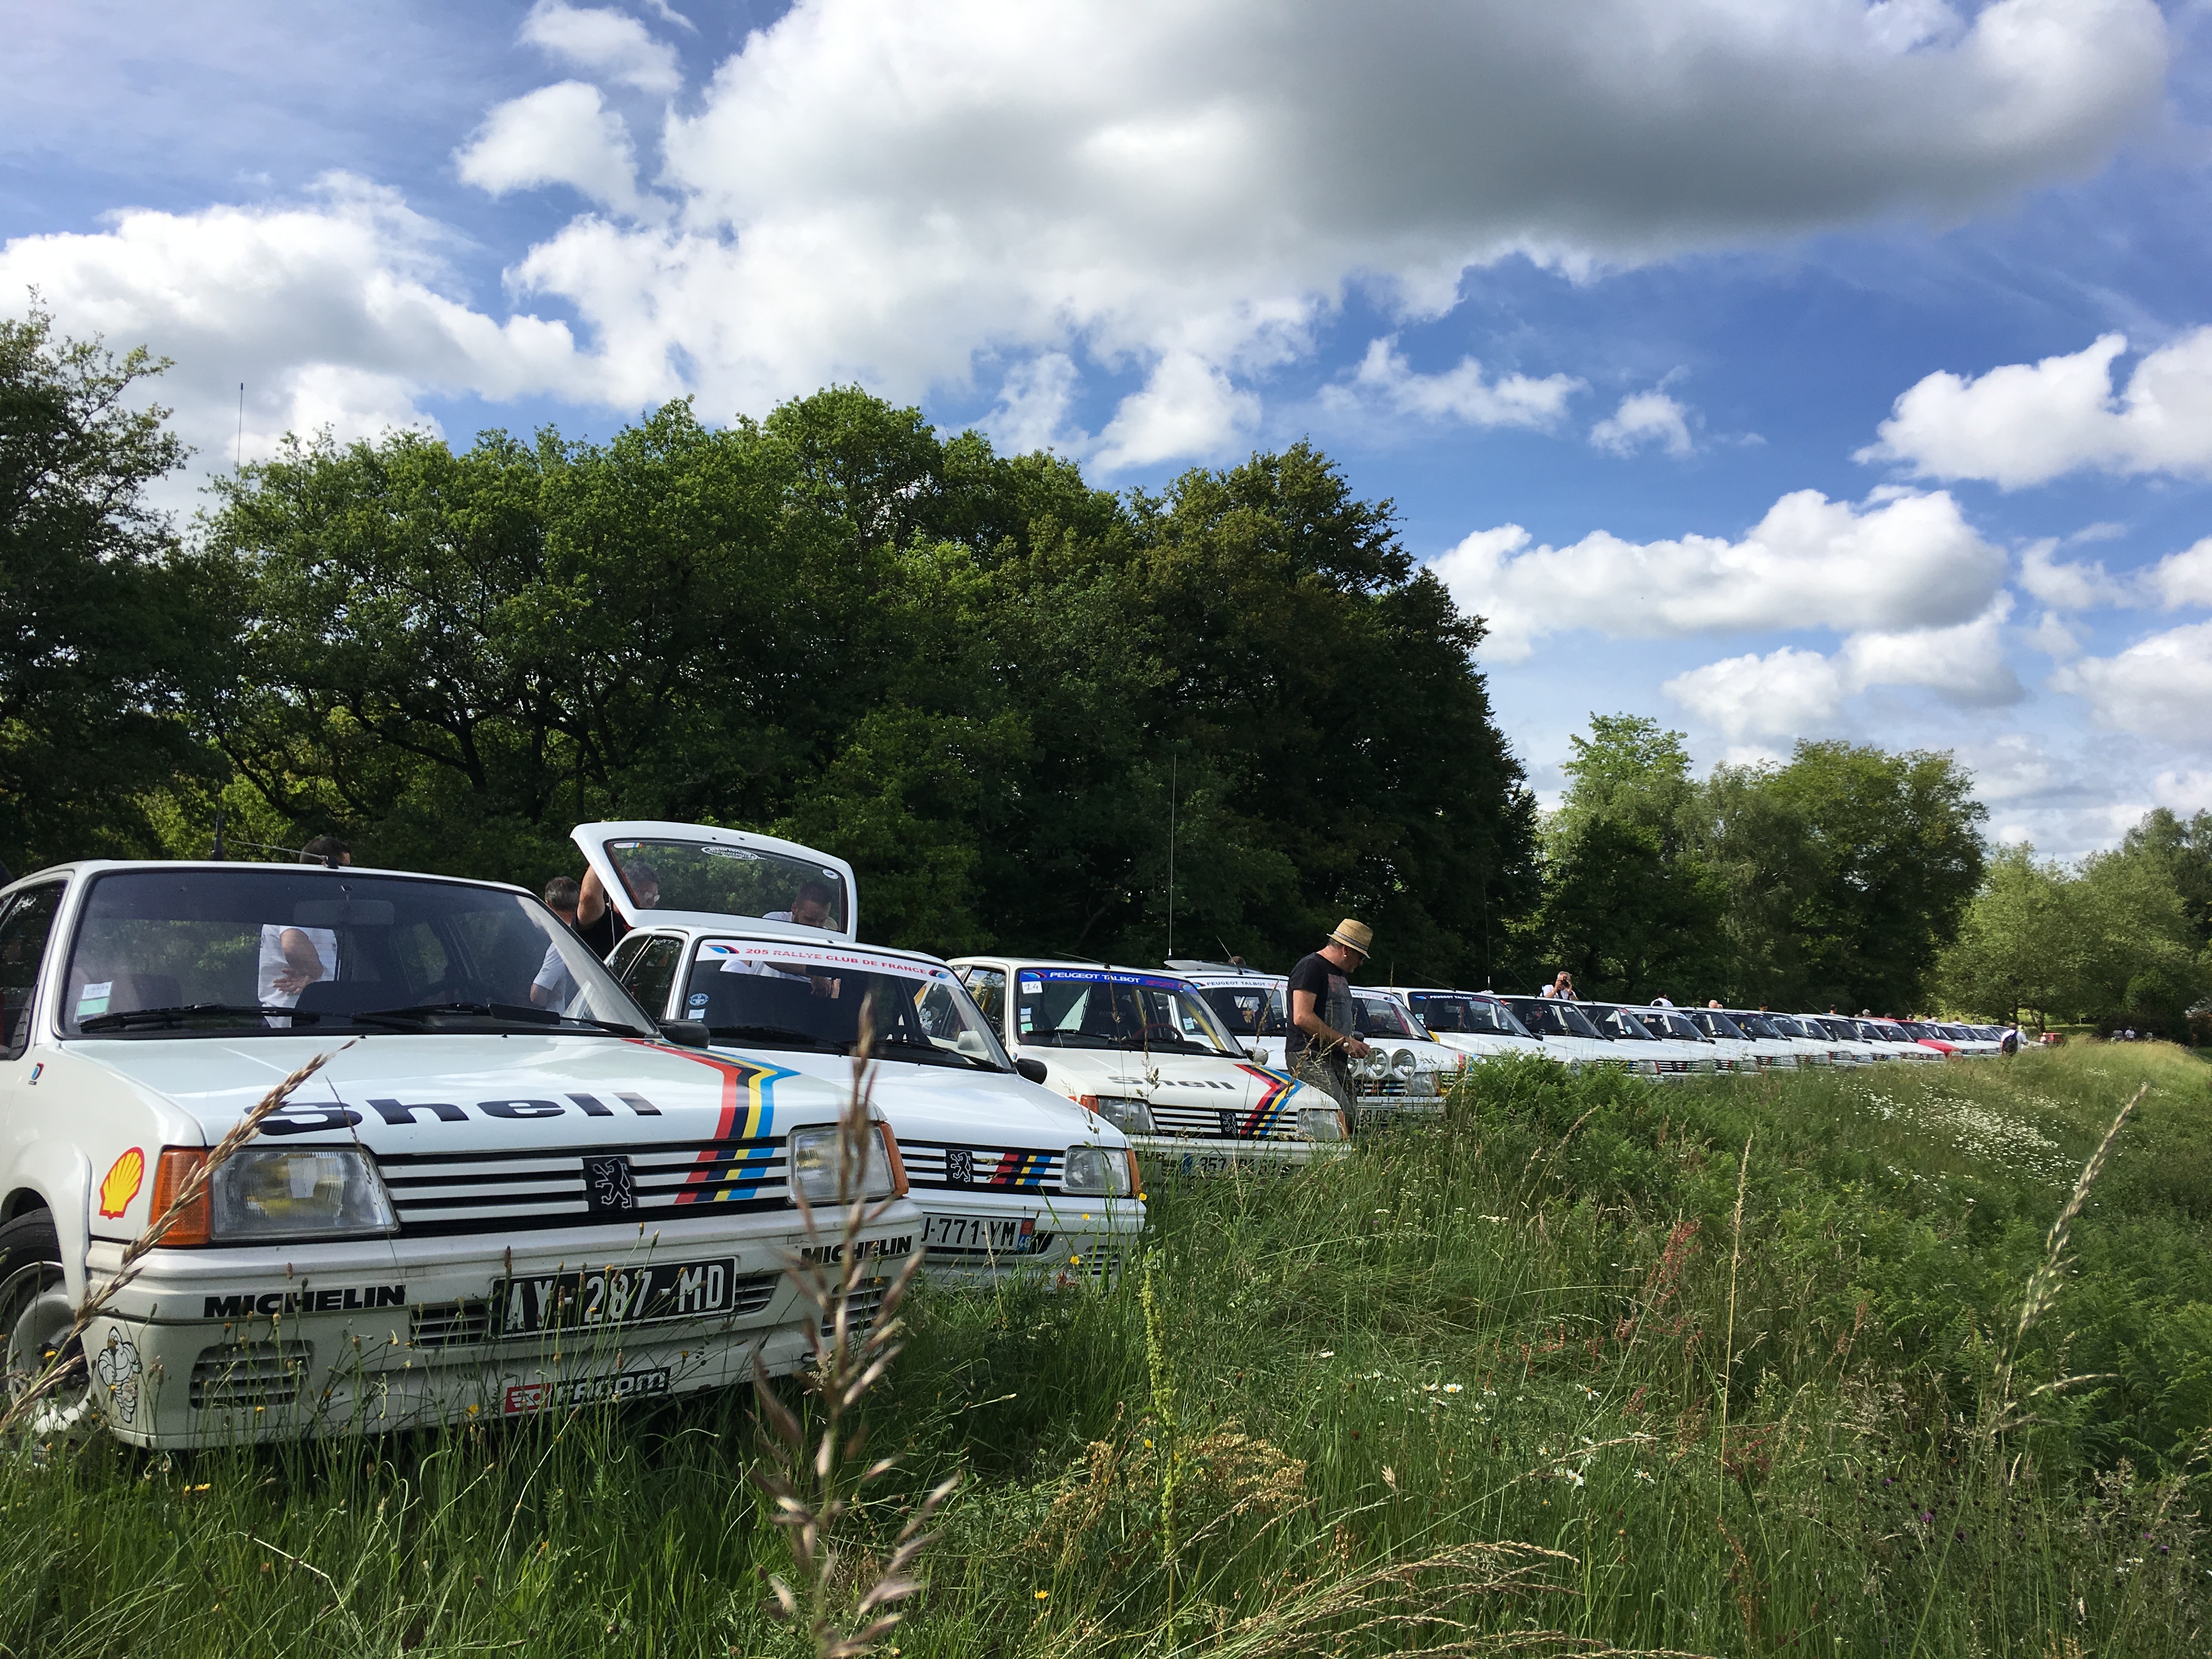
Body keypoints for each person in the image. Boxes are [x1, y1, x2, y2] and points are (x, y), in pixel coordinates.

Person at [1284, 918, 1373, 1113]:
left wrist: (1352, 1042)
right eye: (1360, 956)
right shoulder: (1311, 967)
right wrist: (1345, 1041)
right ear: (1346, 949)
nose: (1361, 962)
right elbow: (1302, 1016)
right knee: (1338, 1111)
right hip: (1309, 1055)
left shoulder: (1339, 973)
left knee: (1352, 1115)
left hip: (1335, 1056)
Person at [257, 836, 352, 1015]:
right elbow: (292, 944)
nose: (348, 875)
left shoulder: (320, 909)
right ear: (324, 866)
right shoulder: (298, 902)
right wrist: (316, 972)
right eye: (344, 867)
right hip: (288, 1019)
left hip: (313, 1016)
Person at [576, 861, 659, 957]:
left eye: (655, 897)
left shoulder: (648, 926)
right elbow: (589, 896)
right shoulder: (600, 917)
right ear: (623, 890)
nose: (652, 902)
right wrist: (601, 857)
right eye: (646, 895)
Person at [531, 877, 583, 1009]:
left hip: (566, 1019)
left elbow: (536, 995)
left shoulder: (562, 944)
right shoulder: (589, 934)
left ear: (549, 905)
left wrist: (550, 996)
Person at [765, 879, 837, 930]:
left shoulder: (826, 935)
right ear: (794, 908)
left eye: (822, 921)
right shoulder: (774, 922)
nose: (816, 926)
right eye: (809, 920)